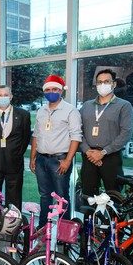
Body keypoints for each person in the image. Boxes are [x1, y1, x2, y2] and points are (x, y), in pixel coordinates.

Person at [30, 75, 82, 228]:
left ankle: (63, 230)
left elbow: (76, 137)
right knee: (44, 195)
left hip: (60, 160)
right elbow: (36, 136)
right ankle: (42, 226)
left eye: (54, 89)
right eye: (48, 89)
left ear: (61, 91)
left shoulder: (70, 111)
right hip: (41, 159)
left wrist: (68, 160)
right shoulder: (41, 111)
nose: (51, 92)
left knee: (62, 197)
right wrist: (32, 157)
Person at [80, 69, 133, 197]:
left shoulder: (124, 106)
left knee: (114, 195)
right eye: (99, 82)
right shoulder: (87, 106)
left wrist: (103, 152)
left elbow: (126, 133)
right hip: (89, 156)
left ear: (114, 84)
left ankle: (113, 218)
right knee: (88, 196)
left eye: (106, 81)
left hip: (111, 157)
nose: (102, 84)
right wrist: (88, 151)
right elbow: (78, 131)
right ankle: (89, 217)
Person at [0, 85, 31, 211]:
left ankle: (12, 228)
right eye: (0, 95)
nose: (3, 98)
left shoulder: (23, 115)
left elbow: (25, 138)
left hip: (14, 164)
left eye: (6, 95)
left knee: (14, 200)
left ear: (11, 97)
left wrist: (17, 153)